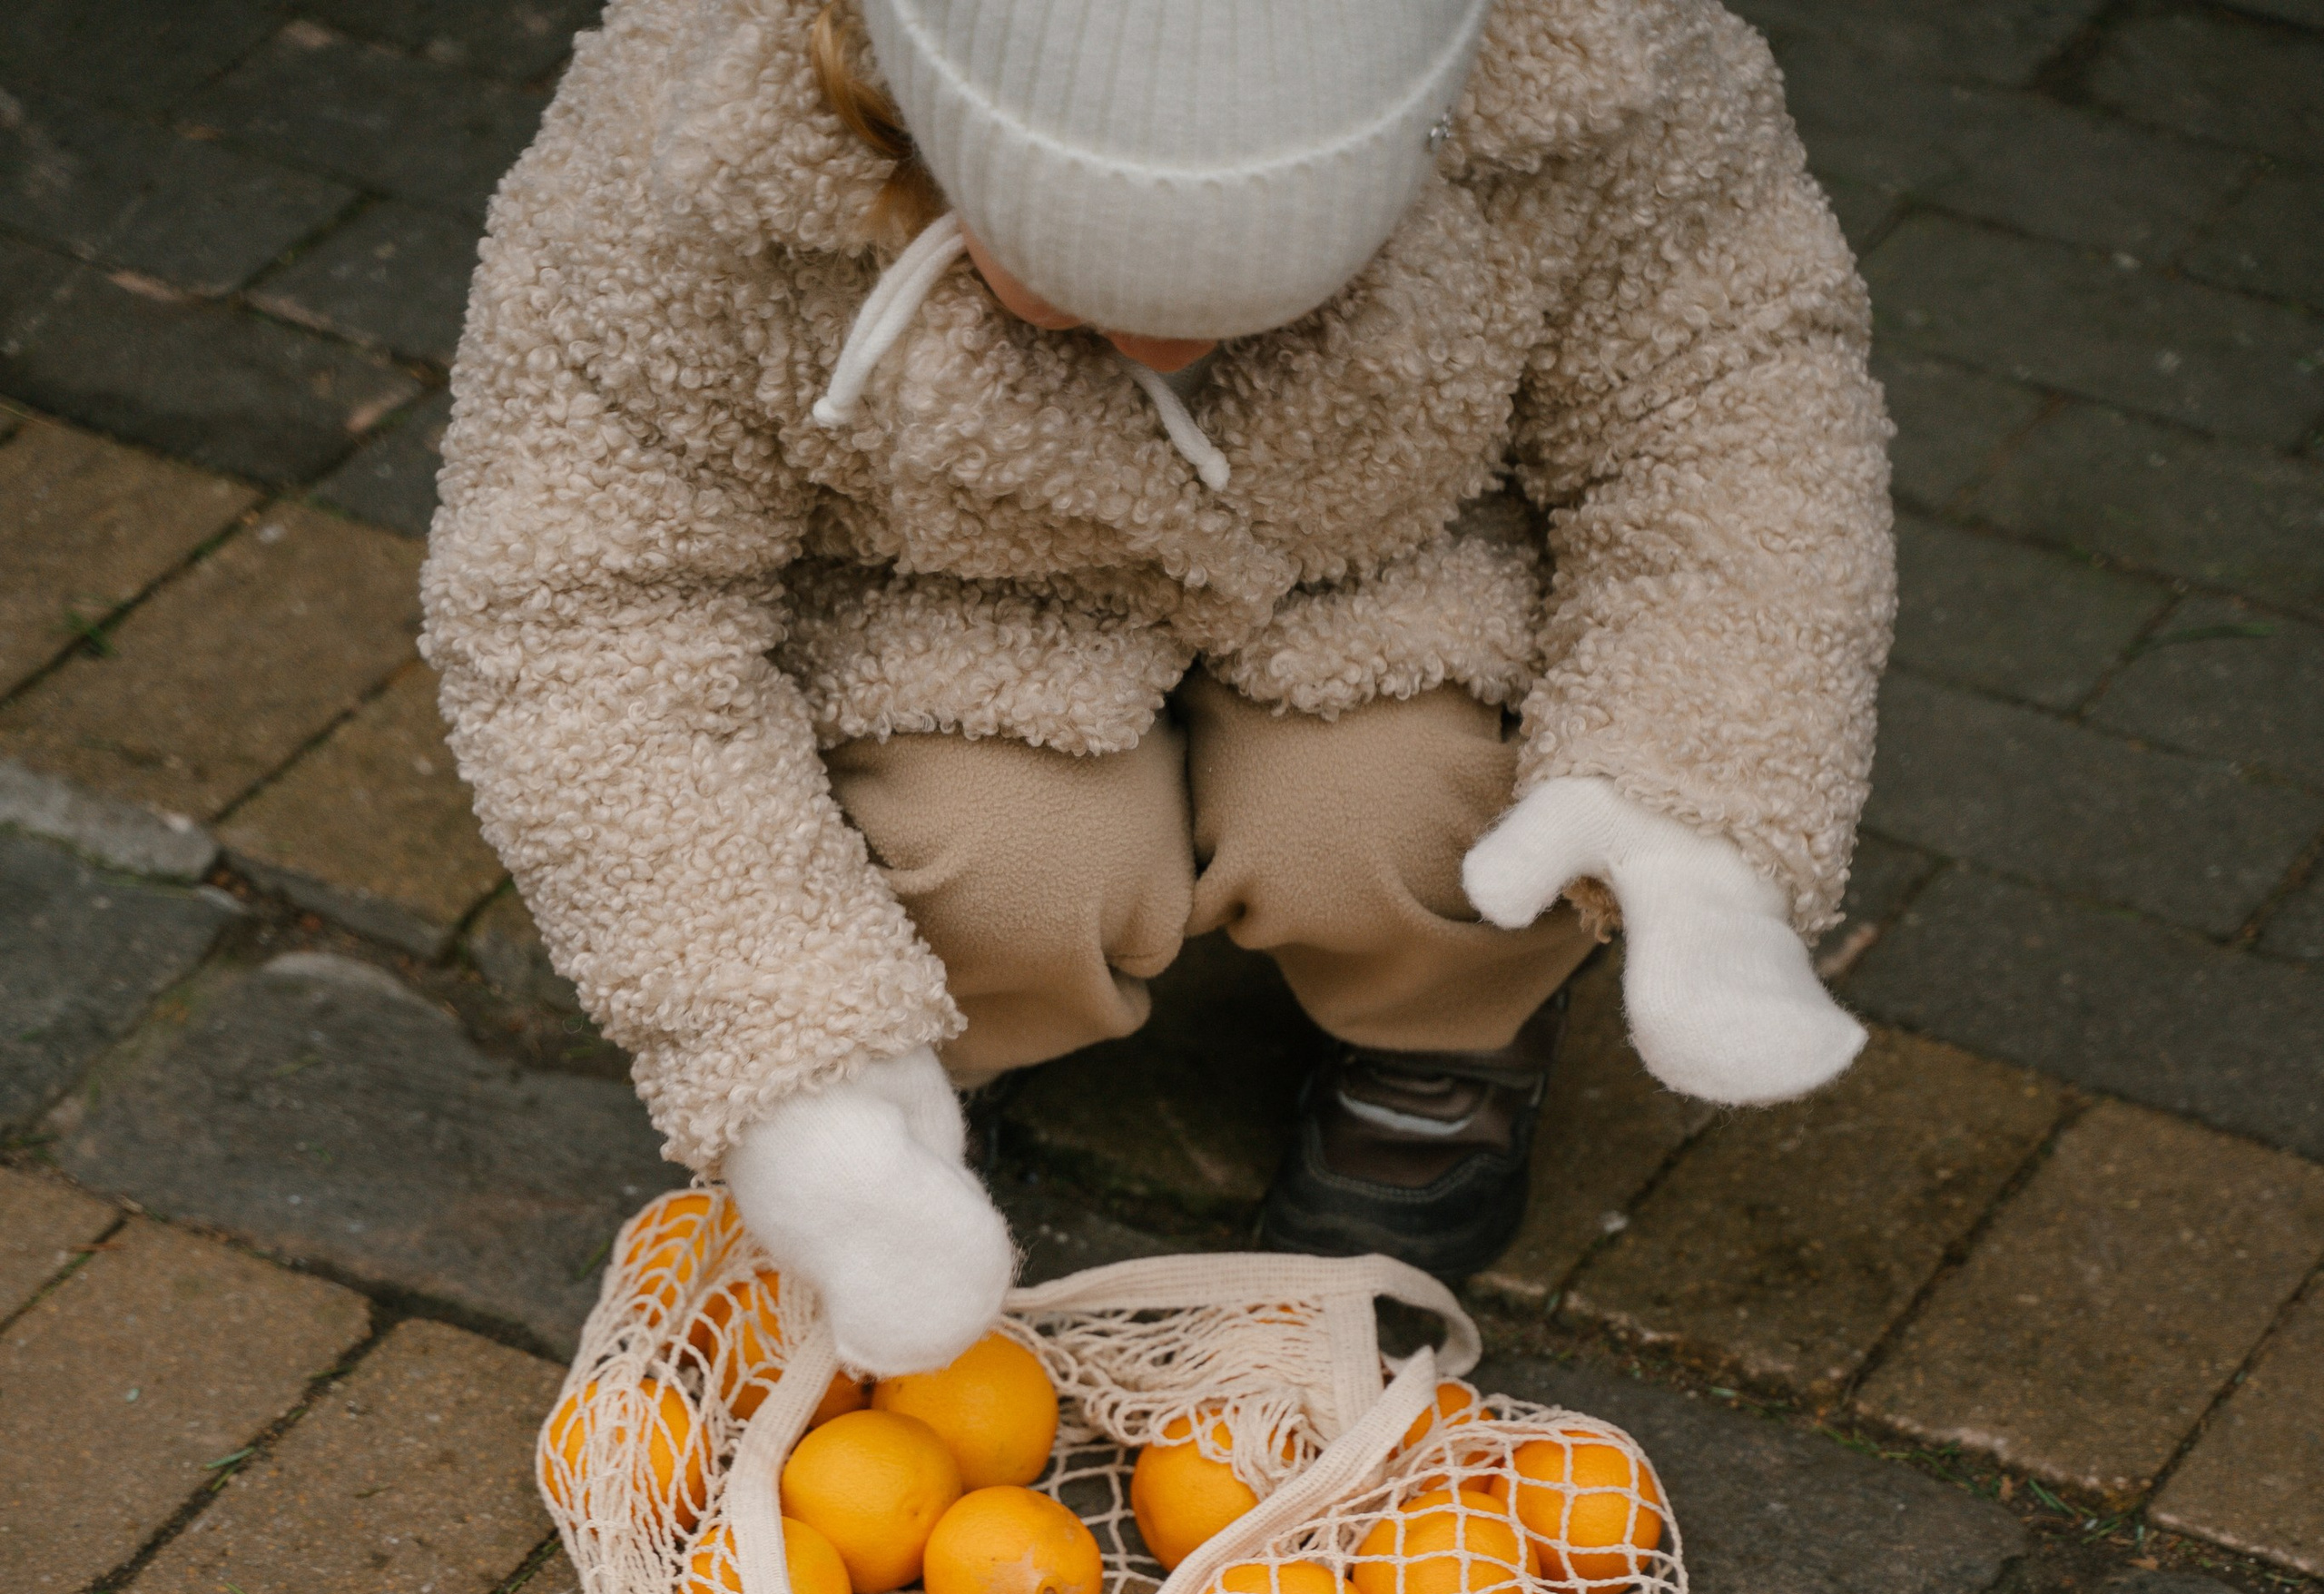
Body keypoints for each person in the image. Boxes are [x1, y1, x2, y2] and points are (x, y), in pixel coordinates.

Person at [424, 0, 1890, 1378]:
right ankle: (920, 1072)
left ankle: (1447, 1039)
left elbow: (1729, 410)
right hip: (944, 603)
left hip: (1383, 558)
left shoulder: (1607, 75)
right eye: (1071, 280)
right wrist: (785, 1041)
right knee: (1000, 861)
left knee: (1409, 820)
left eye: (1285, 279)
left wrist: (1688, 779)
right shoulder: (683, 152)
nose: (1166, 351)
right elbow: (584, 612)